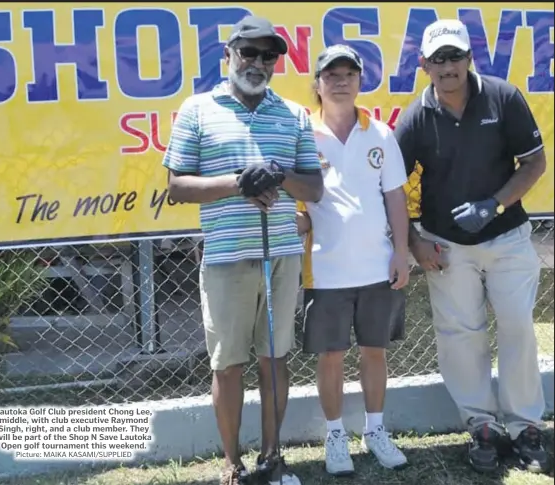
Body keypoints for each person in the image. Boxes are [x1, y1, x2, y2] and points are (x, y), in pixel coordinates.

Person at [162, 15, 323, 485]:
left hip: (282, 257)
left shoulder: (292, 114)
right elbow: (177, 186)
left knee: (275, 361)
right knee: (229, 366)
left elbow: (312, 187)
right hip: (227, 258)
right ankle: (232, 465)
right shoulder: (196, 109)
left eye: (267, 55)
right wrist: (237, 183)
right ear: (228, 55)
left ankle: (272, 459)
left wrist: (277, 174)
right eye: (247, 52)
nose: (257, 62)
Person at [393, 19, 550, 474]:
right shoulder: (417, 115)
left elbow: (534, 162)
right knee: (461, 335)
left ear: (469, 59)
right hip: (446, 246)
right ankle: (481, 424)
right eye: (438, 59)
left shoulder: (503, 96)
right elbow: (390, 188)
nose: (447, 67)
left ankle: (525, 426)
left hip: (507, 236)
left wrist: (494, 204)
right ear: (424, 66)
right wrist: (414, 241)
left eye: (454, 57)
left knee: (519, 327)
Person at [296, 44, 411, 476]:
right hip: (325, 272)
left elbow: (395, 197)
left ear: (361, 82)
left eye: (349, 74)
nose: (340, 81)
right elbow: (298, 201)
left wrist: (401, 251)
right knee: (331, 356)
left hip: (377, 268)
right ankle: (335, 435)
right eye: (331, 74)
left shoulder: (380, 133)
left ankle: (376, 430)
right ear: (318, 84)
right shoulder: (301, 135)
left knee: (375, 352)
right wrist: (299, 220)